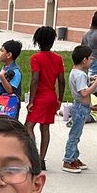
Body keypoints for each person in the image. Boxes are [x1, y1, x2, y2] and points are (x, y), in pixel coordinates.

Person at [25, 26, 66, 171]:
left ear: (38, 41)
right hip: (52, 96)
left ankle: (33, 157)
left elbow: (35, 79)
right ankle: (42, 159)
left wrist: (31, 101)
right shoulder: (58, 58)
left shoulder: (36, 58)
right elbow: (61, 81)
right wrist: (60, 99)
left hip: (40, 97)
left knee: (28, 126)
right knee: (45, 128)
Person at [62, 46, 97, 172]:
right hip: (80, 107)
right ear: (84, 60)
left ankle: (74, 157)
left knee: (76, 134)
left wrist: (90, 79)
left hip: (79, 106)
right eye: (90, 58)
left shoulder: (75, 72)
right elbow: (84, 93)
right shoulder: (81, 75)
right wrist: (96, 83)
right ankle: (68, 160)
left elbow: (81, 85)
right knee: (74, 135)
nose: (92, 61)